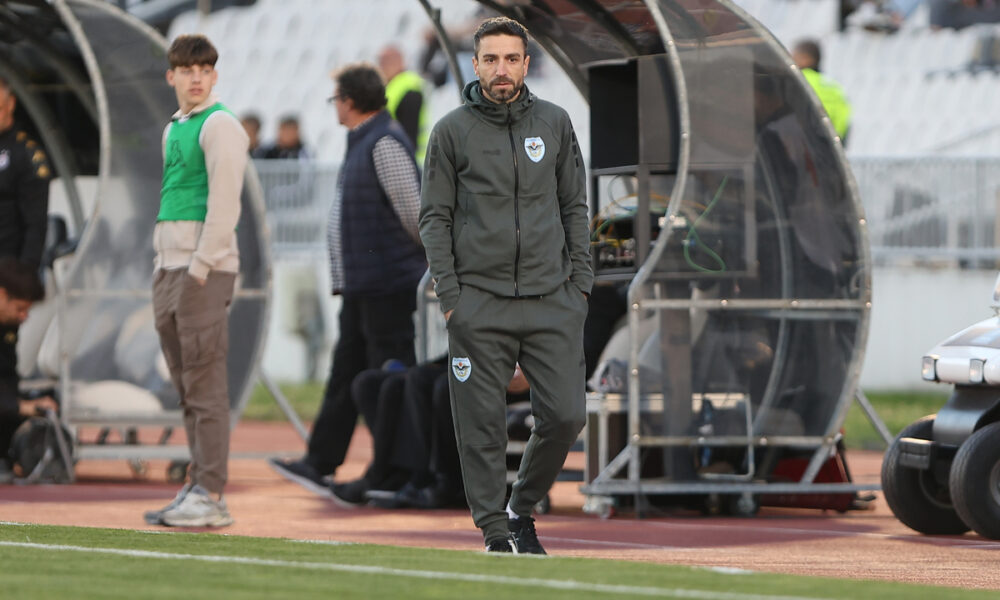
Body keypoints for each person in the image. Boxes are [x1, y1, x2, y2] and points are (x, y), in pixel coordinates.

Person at [419, 17, 592, 554]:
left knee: (566, 416)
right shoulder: (450, 131)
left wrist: (580, 285)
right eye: (490, 59)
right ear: (475, 65)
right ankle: (495, 533)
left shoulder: (556, 123)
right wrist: (452, 300)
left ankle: (521, 508)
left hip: (552, 301)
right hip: (478, 303)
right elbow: (435, 219)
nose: (501, 69)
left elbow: (575, 207)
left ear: (525, 63)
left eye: (511, 59)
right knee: (481, 428)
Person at [269, 63, 425, 501]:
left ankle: (397, 470)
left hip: (387, 287)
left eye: (335, 98)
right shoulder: (367, 141)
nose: (334, 106)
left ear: (350, 101)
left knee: (388, 382)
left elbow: (417, 216)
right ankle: (320, 462)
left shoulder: (384, 144)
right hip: (365, 287)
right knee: (346, 377)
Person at [143, 34, 249, 528]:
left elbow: (225, 205)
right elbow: (174, 195)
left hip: (200, 271)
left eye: (205, 68)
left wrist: (201, 268)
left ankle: (211, 492)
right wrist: (163, 267)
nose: (197, 77)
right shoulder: (174, 128)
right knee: (187, 387)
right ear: (172, 76)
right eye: (188, 70)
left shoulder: (221, 124)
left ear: (214, 74)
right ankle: (198, 482)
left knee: (205, 385)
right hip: (169, 268)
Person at [0, 258, 54, 483]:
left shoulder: (8, 327)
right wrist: (19, 406)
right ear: (1, 296)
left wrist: (30, 402)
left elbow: (7, 375)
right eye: (20, 308)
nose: (24, 317)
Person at [791, 40, 852, 144]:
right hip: (832, 144)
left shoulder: (798, 80)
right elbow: (845, 115)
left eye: (795, 56)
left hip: (806, 142)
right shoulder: (833, 85)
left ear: (807, 59)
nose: (791, 60)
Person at [378, 45, 429, 164]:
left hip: (409, 162)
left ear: (399, 61)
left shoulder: (408, 87)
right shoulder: (393, 86)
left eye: (385, 62)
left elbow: (409, 133)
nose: (381, 67)